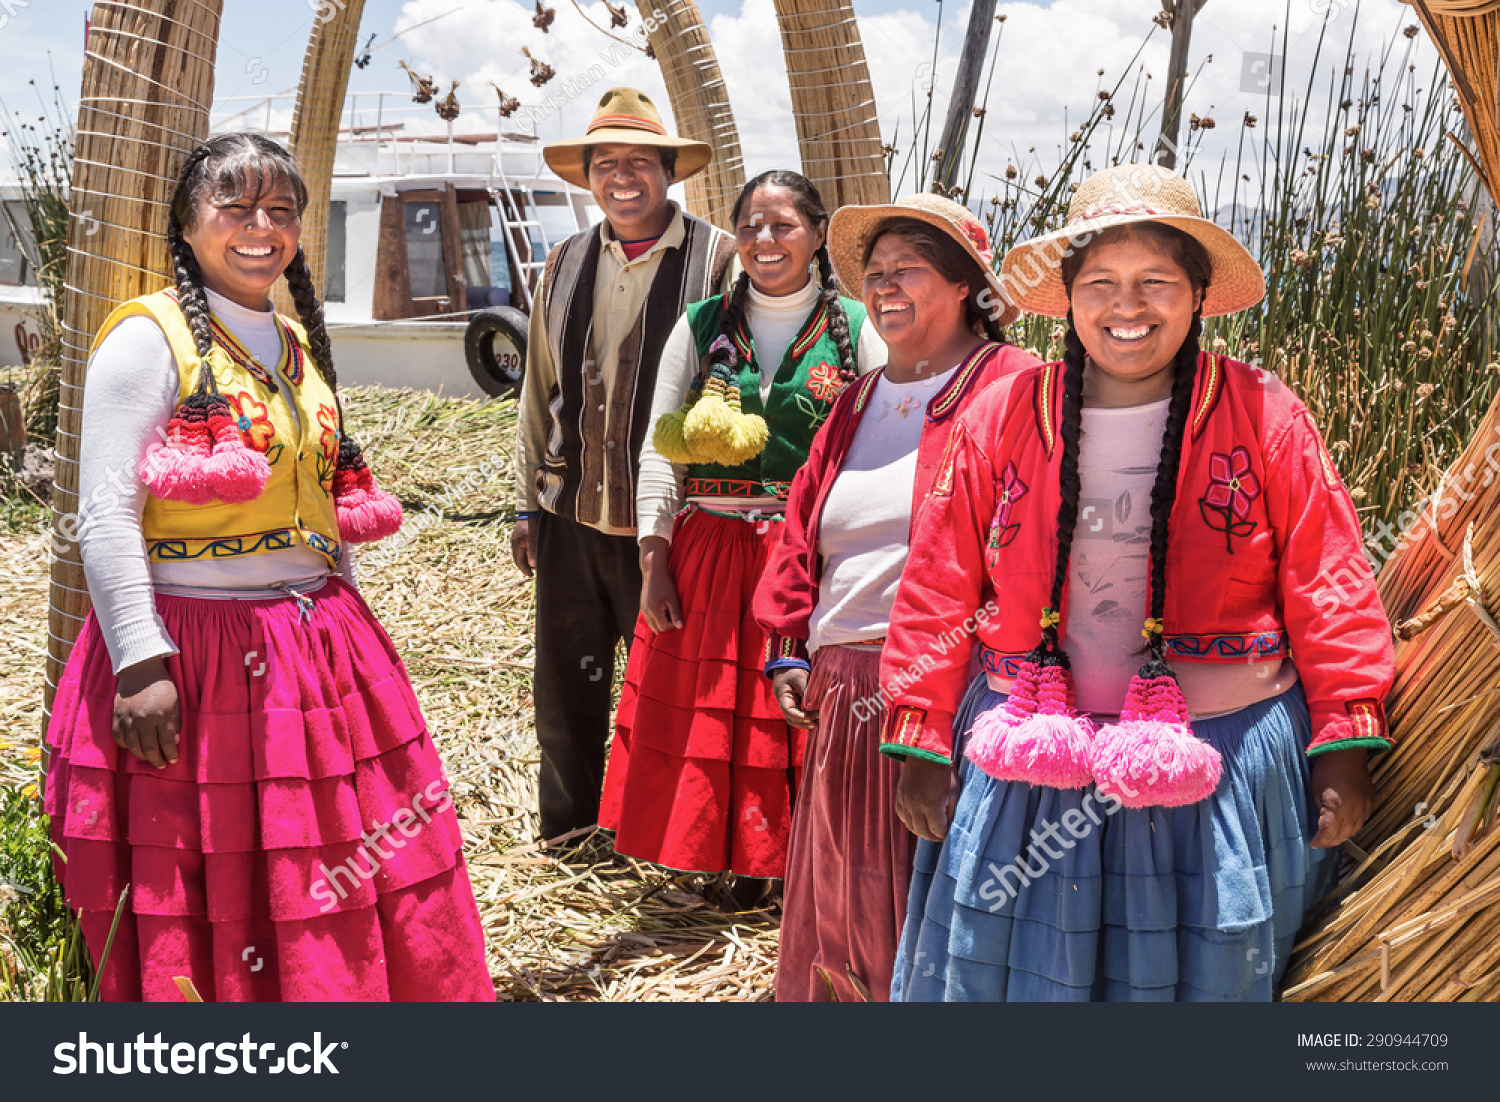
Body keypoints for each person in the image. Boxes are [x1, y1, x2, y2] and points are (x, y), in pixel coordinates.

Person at [878, 164, 1394, 1001]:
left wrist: (1344, 740)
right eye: (1102, 283)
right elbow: (937, 585)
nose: (1128, 307)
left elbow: (1328, 580)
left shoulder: (1265, 413)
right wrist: (924, 741)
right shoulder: (1004, 415)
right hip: (1034, 766)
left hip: (1213, 769)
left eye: (1156, 282)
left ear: (1196, 294)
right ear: (1070, 295)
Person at [43, 133, 493, 1001]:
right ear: (187, 222)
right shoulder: (147, 339)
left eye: (281, 211)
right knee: (209, 864)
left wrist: (354, 634)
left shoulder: (292, 342)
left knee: (333, 861)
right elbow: (103, 512)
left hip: (314, 651)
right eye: (235, 206)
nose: (261, 227)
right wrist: (139, 657)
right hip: (194, 657)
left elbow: (320, 503)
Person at [751, 194, 1036, 999]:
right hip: (844, 687)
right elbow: (800, 530)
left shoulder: (1014, 388)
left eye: (906, 267)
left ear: (963, 285)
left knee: (919, 898)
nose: (883, 287)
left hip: (956, 688)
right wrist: (788, 649)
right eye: (873, 274)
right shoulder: (855, 402)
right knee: (842, 897)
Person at [598, 171, 884, 904]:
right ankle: (717, 858)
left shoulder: (856, 328)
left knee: (794, 709)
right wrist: (653, 556)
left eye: (783, 225)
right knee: (715, 704)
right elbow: (660, 447)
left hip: (810, 555)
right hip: (711, 550)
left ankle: (799, 863)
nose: (765, 241)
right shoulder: (699, 325)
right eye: (751, 226)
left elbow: (884, 446)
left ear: (817, 236)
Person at [512, 88, 736, 844]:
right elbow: (537, 389)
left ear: (669, 172)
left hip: (674, 524)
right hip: (572, 512)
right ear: (589, 178)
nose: (622, 176)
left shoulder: (719, 261)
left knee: (675, 689)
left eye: (640, 161)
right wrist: (523, 504)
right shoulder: (565, 262)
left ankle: (664, 839)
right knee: (566, 688)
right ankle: (572, 835)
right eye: (606, 163)